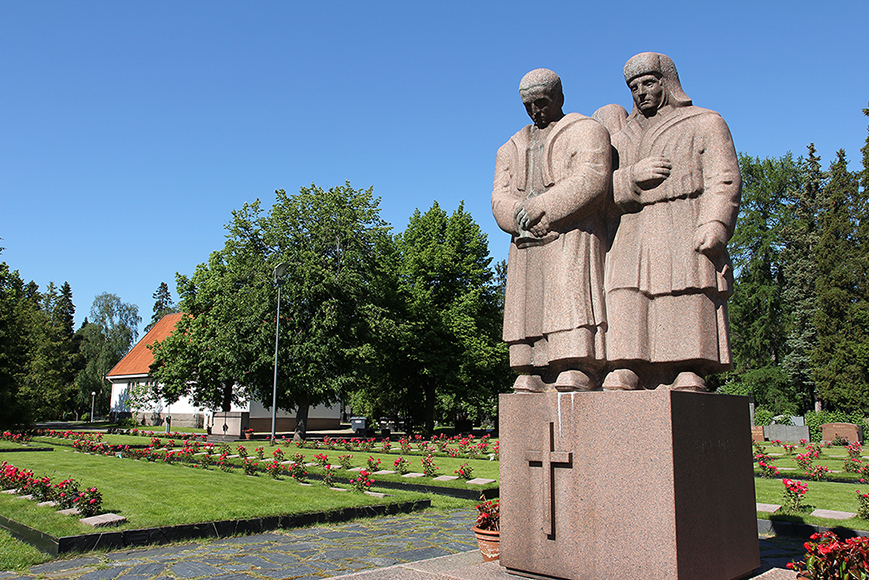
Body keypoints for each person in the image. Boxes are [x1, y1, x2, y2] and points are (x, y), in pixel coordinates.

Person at [601, 52, 741, 391]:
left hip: (683, 219)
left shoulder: (704, 121)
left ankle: (688, 367)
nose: (640, 93)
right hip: (631, 227)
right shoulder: (621, 139)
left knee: (684, 290)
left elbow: (725, 177)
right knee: (625, 292)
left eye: (648, 83)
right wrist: (632, 176)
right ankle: (628, 364)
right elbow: (601, 190)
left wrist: (716, 223)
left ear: (667, 82)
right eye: (633, 87)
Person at [492, 68, 611, 392]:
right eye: (528, 105)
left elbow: (593, 178)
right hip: (525, 238)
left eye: (542, 102)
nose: (535, 111)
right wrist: (517, 217)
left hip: (569, 233)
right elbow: (499, 195)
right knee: (527, 305)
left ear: (559, 97)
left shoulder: (586, 130)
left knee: (568, 296)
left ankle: (575, 364)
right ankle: (529, 368)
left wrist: (544, 208)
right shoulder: (510, 146)